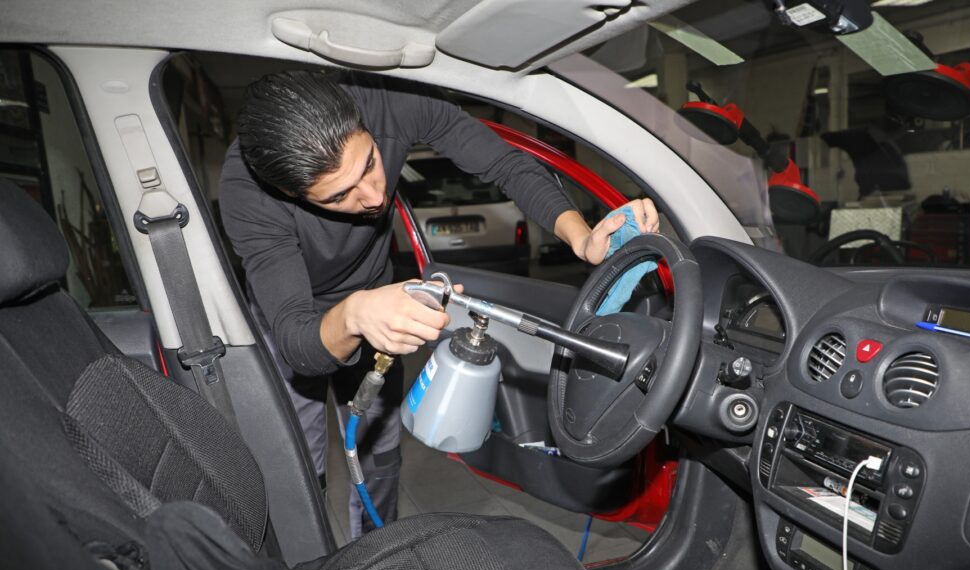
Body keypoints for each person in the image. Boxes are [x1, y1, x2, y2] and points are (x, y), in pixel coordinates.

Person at [218, 70, 658, 539]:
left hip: (377, 292)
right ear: (288, 192)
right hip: (304, 318)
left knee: (380, 452)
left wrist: (582, 235)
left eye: (369, 163)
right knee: (297, 463)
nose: (374, 197)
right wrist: (353, 313)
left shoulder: (390, 101)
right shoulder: (248, 193)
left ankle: (379, 554)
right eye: (339, 195)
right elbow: (296, 339)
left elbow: (506, 165)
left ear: (361, 121)